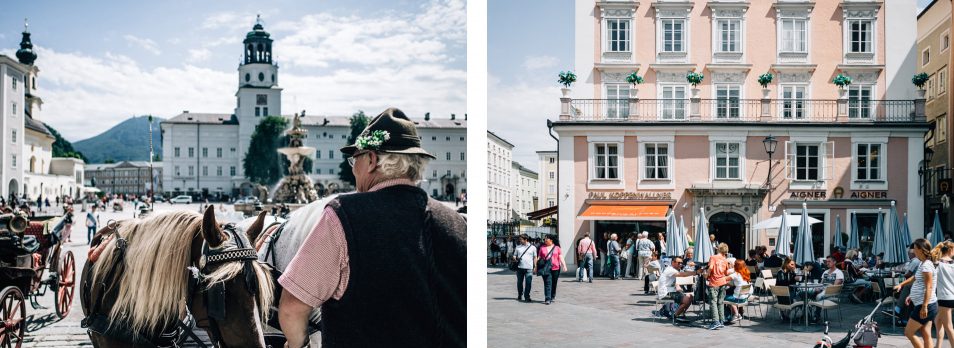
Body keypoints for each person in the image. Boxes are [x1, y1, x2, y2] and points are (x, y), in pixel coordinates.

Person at [277, 108, 466, 347]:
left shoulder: (343, 215)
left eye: (355, 159)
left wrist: (297, 344)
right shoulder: (457, 223)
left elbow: (292, 307)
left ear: (372, 160)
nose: (353, 168)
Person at [894, 239, 938, 348]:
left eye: (914, 248)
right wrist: (902, 286)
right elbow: (915, 278)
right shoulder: (923, 263)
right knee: (926, 334)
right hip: (927, 304)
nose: (913, 251)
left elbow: (929, 287)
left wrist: (924, 306)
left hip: (926, 305)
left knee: (908, 332)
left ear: (920, 250)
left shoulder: (926, 266)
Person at [652, 256, 700, 322]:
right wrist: (696, 272)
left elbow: (675, 283)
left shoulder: (673, 269)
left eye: (681, 263)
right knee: (686, 300)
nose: (680, 264)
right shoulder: (670, 270)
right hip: (665, 293)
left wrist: (680, 290)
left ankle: (679, 313)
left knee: (690, 296)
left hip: (671, 291)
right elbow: (682, 274)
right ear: (673, 262)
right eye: (678, 263)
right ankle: (674, 316)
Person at [706, 243, 732, 330]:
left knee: (713, 302)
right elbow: (726, 273)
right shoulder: (725, 260)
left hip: (714, 282)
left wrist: (706, 275)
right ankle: (721, 320)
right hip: (723, 282)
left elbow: (710, 268)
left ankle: (715, 321)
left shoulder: (713, 257)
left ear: (718, 249)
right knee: (720, 302)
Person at [933, 241, 954, 348]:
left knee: (949, 327)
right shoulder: (953, 264)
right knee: (938, 320)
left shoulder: (937, 264)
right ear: (950, 250)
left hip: (944, 298)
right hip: (951, 297)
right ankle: (938, 346)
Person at [535, 234, 567, 305]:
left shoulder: (557, 248)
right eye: (544, 239)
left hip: (556, 268)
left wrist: (564, 265)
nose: (545, 240)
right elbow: (539, 257)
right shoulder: (542, 248)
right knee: (547, 283)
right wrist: (535, 267)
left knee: (554, 283)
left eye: (546, 239)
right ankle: (547, 298)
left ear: (551, 240)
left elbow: (561, 257)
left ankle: (553, 296)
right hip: (545, 268)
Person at [724, 259, 752, 323]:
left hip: (738, 298)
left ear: (736, 266)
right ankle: (737, 314)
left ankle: (735, 315)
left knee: (723, 298)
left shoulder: (736, 274)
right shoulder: (746, 272)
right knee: (729, 297)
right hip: (745, 298)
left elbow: (724, 279)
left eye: (735, 265)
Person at [513, 234, 536, 302]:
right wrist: (515, 258)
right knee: (519, 282)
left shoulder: (533, 247)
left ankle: (527, 296)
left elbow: (535, 257)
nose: (520, 240)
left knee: (528, 283)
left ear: (526, 239)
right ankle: (520, 294)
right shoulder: (518, 247)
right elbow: (514, 255)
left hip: (529, 268)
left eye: (521, 239)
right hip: (520, 267)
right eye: (519, 239)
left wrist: (535, 266)